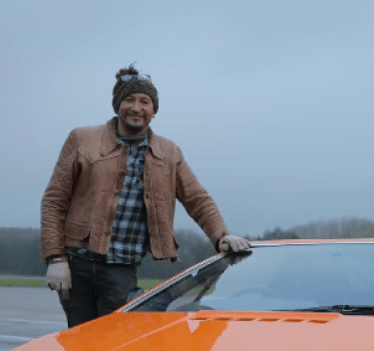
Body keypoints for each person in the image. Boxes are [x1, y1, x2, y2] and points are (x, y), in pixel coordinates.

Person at [41, 64, 250, 327]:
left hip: (122, 268)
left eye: (144, 101)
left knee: (115, 338)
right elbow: (54, 200)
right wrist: (55, 258)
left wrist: (222, 235)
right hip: (76, 263)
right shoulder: (82, 139)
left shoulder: (169, 152)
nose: (136, 107)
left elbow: (197, 199)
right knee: (78, 339)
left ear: (153, 111)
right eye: (129, 99)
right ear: (117, 105)